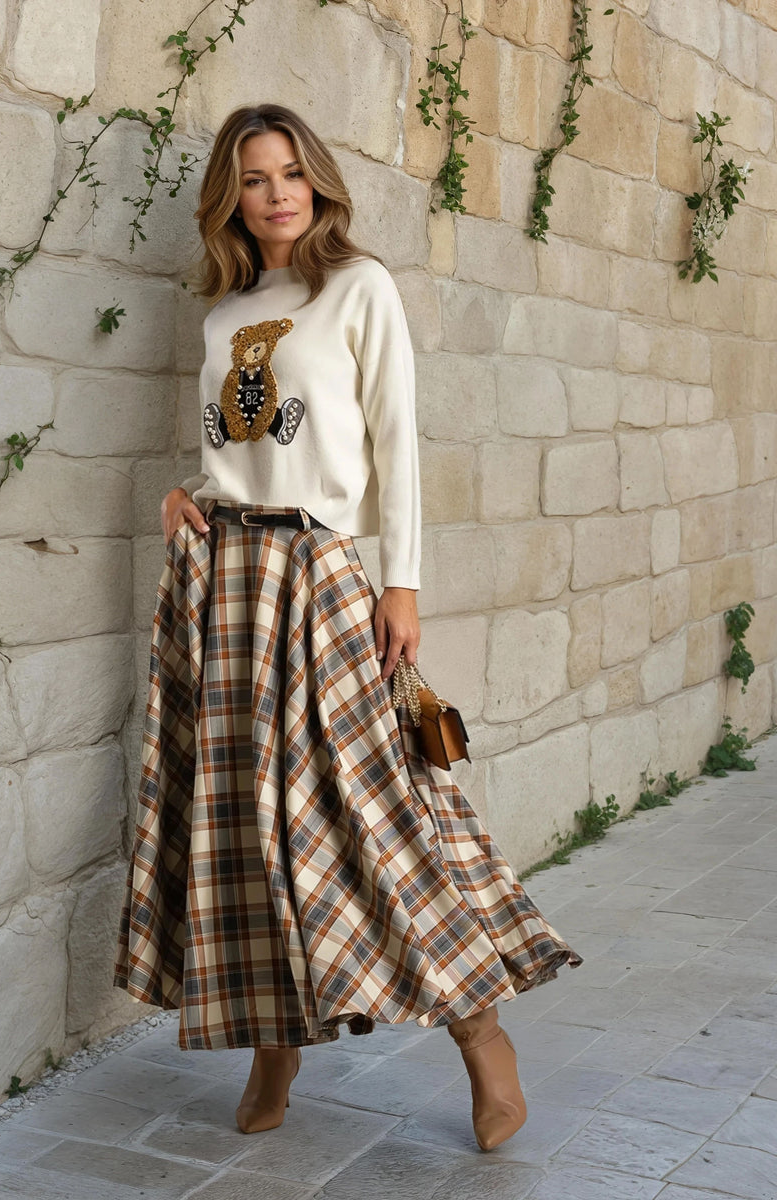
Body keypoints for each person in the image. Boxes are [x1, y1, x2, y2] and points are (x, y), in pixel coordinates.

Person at [113, 101, 582, 1151]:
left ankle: (480, 1031)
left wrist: (401, 584)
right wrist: (182, 496)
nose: (277, 193)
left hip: (319, 573)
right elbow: (238, 441)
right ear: (230, 198)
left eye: (291, 173)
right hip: (221, 575)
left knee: (365, 809)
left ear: (317, 182)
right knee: (240, 812)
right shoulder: (226, 310)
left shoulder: (358, 288)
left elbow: (395, 442)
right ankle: (275, 1036)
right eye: (255, 178)